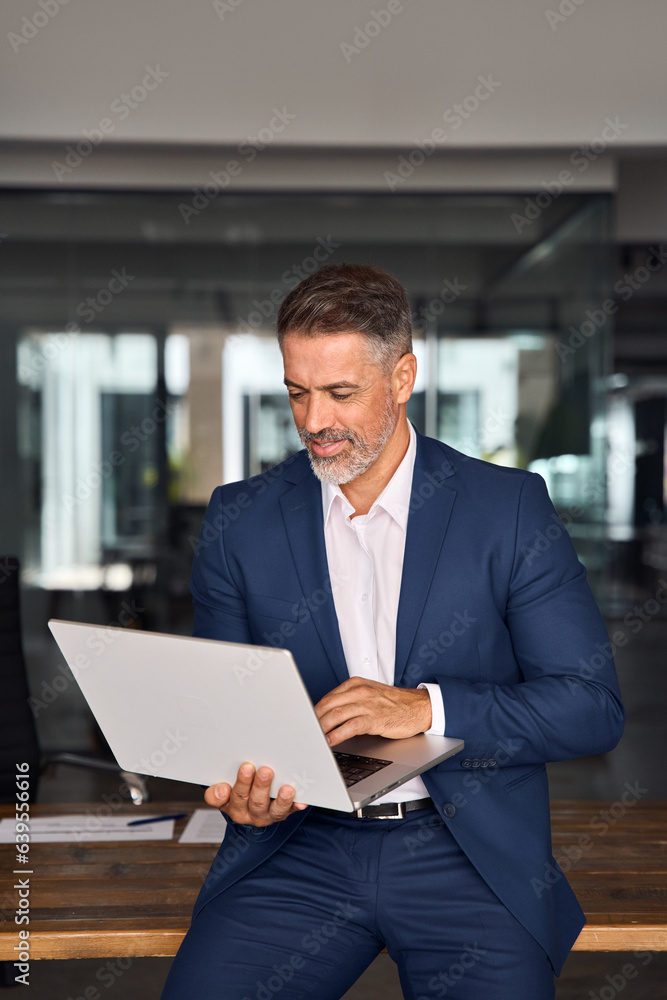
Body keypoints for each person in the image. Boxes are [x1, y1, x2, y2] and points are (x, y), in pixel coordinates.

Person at [161, 264, 624, 1000]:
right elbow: (234, 711)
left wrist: (425, 708)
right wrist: (246, 787)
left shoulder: (506, 509)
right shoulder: (238, 519)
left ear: (401, 376)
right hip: (297, 851)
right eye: (296, 392)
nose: (314, 420)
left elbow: (589, 706)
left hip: (464, 851)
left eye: (340, 393)